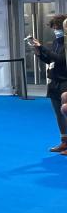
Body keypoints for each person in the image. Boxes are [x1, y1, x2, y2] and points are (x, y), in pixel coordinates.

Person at [30, 14, 67, 154]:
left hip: (65, 81)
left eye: (58, 28)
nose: (56, 31)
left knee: (66, 112)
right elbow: (51, 60)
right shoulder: (57, 42)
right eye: (54, 28)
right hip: (54, 81)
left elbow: (61, 59)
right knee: (58, 113)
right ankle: (64, 142)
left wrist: (43, 48)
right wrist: (39, 51)